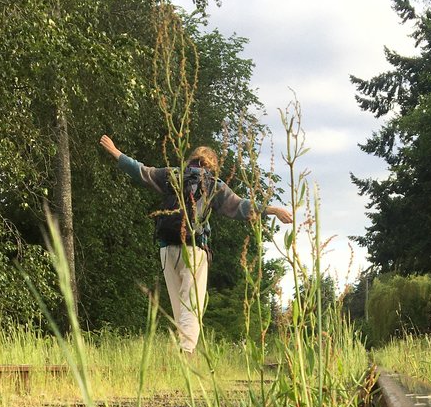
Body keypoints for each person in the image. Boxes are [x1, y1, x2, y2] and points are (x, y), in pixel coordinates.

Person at [99, 136, 293, 353]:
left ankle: (182, 352)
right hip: (194, 248)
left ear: (191, 160)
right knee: (192, 305)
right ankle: (187, 353)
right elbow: (240, 206)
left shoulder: (173, 175)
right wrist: (273, 209)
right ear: (211, 165)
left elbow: (141, 171)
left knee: (178, 305)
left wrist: (116, 152)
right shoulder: (212, 185)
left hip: (166, 248)